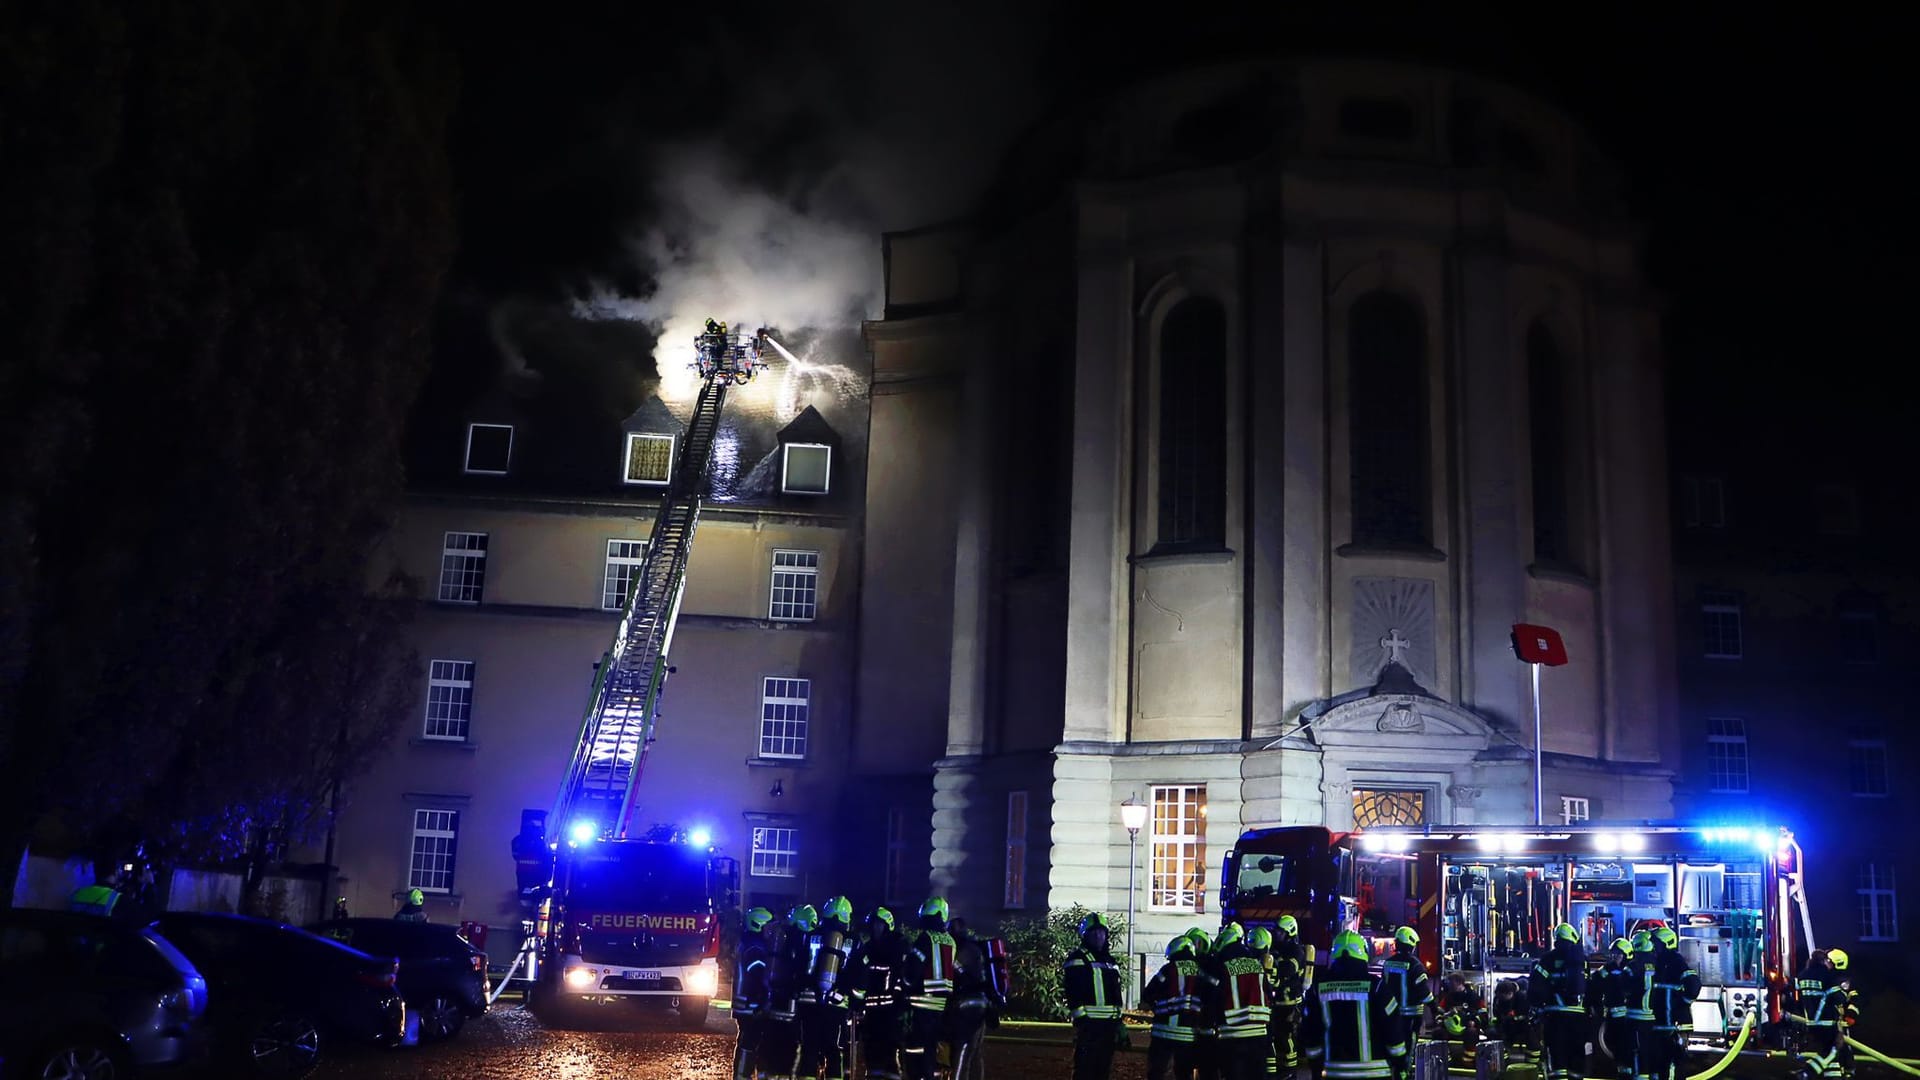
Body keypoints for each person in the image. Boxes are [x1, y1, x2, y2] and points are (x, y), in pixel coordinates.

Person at [1300, 929, 1398, 1079]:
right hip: (1375, 1073)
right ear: (1363, 953)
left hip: (1334, 1072)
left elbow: (1310, 1032)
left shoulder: (1317, 988)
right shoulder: (1377, 987)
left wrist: (1315, 1067)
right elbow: (1393, 1029)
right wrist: (1400, 1063)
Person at [899, 898, 959, 1080]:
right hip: (941, 1008)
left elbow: (913, 969)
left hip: (921, 1005)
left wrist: (904, 984)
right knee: (933, 1050)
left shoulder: (925, 939)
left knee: (915, 1049)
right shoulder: (951, 941)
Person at [798, 896, 855, 1080]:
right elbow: (858, 974)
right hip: (836, 1006)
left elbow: (799, 966)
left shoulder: (811, 936)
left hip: (810, 1003)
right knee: (833, 1051)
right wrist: (855, 1001)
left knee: (809, 1049)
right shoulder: (853, 942)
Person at [1063, 911, 1125, 1080]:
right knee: (1084, 1070)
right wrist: (1082, 1020)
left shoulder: (1110, 961)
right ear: (1085, 935)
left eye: (1102, 932)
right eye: (1094, 933)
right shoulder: (1077, 959)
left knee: (1103, 1071)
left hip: (1109, 1027)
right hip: (1089, 1026)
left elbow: (1116, 994)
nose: (1099, 936)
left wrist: (1120, 1024)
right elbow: (1073, 992)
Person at [846, 907, 906, 1080]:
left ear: (888, 926)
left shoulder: (898, 946)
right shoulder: (867, 948)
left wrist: (900, 1002)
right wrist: (856, 1002)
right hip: (871, 1011)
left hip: (890, 1012)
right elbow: (858, 975)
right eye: (873, 925)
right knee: (872, 1053)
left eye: (880, 925)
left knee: (891, 1054)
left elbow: (901, 977)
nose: (876, 928)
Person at [1145, 934, 1216, 1080]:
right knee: (1184, 1074)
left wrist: (1158, 1008)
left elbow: (1148, 994)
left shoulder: (1167, 969)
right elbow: (1213, 995)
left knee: (1158, 1073)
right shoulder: (1200, 972)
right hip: (1188, 1034)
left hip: (1163, 1033)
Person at [1211, 922, 1274, 1080]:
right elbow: (1269, 996)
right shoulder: (1256, 965)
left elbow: (1213, 998)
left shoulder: (1221, 966)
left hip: (1232, 1036)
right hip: (1259, 1034)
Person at [760, 906, 814, 1080]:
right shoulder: (800, 943)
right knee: (788, 1050)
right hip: (790, 1007)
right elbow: (802, 972)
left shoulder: (780, 938)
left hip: (774, 1002)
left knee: (771, 1046)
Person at [1531, 923, 1588, 1080]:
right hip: (1578, 1018)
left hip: (1555, 1017)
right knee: (1576, 1059)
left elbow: (1536, 987)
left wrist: (1538, 1008)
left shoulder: (1547, 959)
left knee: (1557, 1059)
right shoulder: (1582, 960)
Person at [948, 917, 1002, 1080]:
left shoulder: (959, 950)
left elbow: (954, 977)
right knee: (975, 1053)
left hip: (966, 1007)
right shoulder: (977, 947)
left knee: (962, 1052)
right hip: (982, 1005)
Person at [1643, 927, 1700, 1080]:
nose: (1654, 947)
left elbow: (1693, 985)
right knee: (1658, 1062)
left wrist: (1681, 1003)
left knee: (1673, 1063)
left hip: (1673, 1024)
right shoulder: (1659, 962)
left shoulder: (1675, 962)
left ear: (1667, 944)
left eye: (1657, 944)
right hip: (1662, 1024)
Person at [1379, 926, 1434, 1080]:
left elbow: (1383, 986)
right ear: (1412, 945)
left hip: (1391, 1012)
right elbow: (1424, 992)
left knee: (1392, 1040)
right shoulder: (1415, 965)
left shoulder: (1388, 963)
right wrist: (1435, 1008)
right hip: (1412, 1014)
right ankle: (1404, 1072)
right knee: (1409, 1044)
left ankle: (1392, 1069)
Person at [1791, 948, 1851, 1080]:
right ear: (1824, 961)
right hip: (1827, 1021)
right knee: (1833, 1050)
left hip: (1811, 1022)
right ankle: (1807, 1073)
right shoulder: (1827, 976)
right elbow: (1838, 997)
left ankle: (1833, 1077)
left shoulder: (1802, 975)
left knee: (1826, 1050)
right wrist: (1844, 992)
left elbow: (1794, 996)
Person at [733, 907, 776, 1080]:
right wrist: (766, 999)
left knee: (748, 1041)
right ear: (759, 925)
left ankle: (744, 1075)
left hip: (746, 1004)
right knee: (749, 1043)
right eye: (768, 927)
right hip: (751, 1005)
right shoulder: (756, 948)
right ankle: (743, 1076)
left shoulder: (748, 943)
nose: (770, 931)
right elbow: (760, 976)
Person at [1268, 916, 1310, 1078]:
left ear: (1289, 932)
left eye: (1280, 931)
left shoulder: (1296, 951)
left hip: (1291, 1003)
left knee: (1287, 1038)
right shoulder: (1276, 949)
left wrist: (1274, 962)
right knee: (1277, 1037)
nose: (1276, 933)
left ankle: (1290, 1072)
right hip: (1277, 1003)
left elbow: (1287, 970)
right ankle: (1282, 1070)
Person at [1589, 937, 1636, 1080]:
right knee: (1618, 1050)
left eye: (1619, 954)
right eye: (1613, 954)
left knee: (1629, 1050)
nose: (1615, 957)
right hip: (1612, 1019)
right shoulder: (1605, 972)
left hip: (1630, 1020)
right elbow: (1593, 987)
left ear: (1627, 955)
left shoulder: (1631, 971)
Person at [1434, 972, 1485, 1062]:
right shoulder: (1448, 997)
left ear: (1459, 982)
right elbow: (1439, 1012)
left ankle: (1469, 1060)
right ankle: (1444, 1058)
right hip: (1450, 1028)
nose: (1449, 984)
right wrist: (1440, 1020)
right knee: (1438, 1032)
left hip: (1466, 1027)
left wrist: (1474, 1022)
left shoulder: (1473, 996)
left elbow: (1483, 1013)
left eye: (1451, 982)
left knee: (1472, 1032)